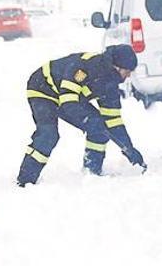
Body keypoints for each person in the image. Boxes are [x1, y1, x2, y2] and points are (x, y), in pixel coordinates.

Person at [17, 44, 147, 186]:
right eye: (127, 71)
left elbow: (113, 121)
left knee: (99, 127)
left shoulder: (111, 84)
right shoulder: (85, 68)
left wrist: (129, 148)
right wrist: (87, 119)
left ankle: (92, 171)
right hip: (43, 88)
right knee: (48, 135)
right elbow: (68, 101)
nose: (128, 76)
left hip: (69, 98)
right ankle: (25, 180)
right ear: (116, 67)